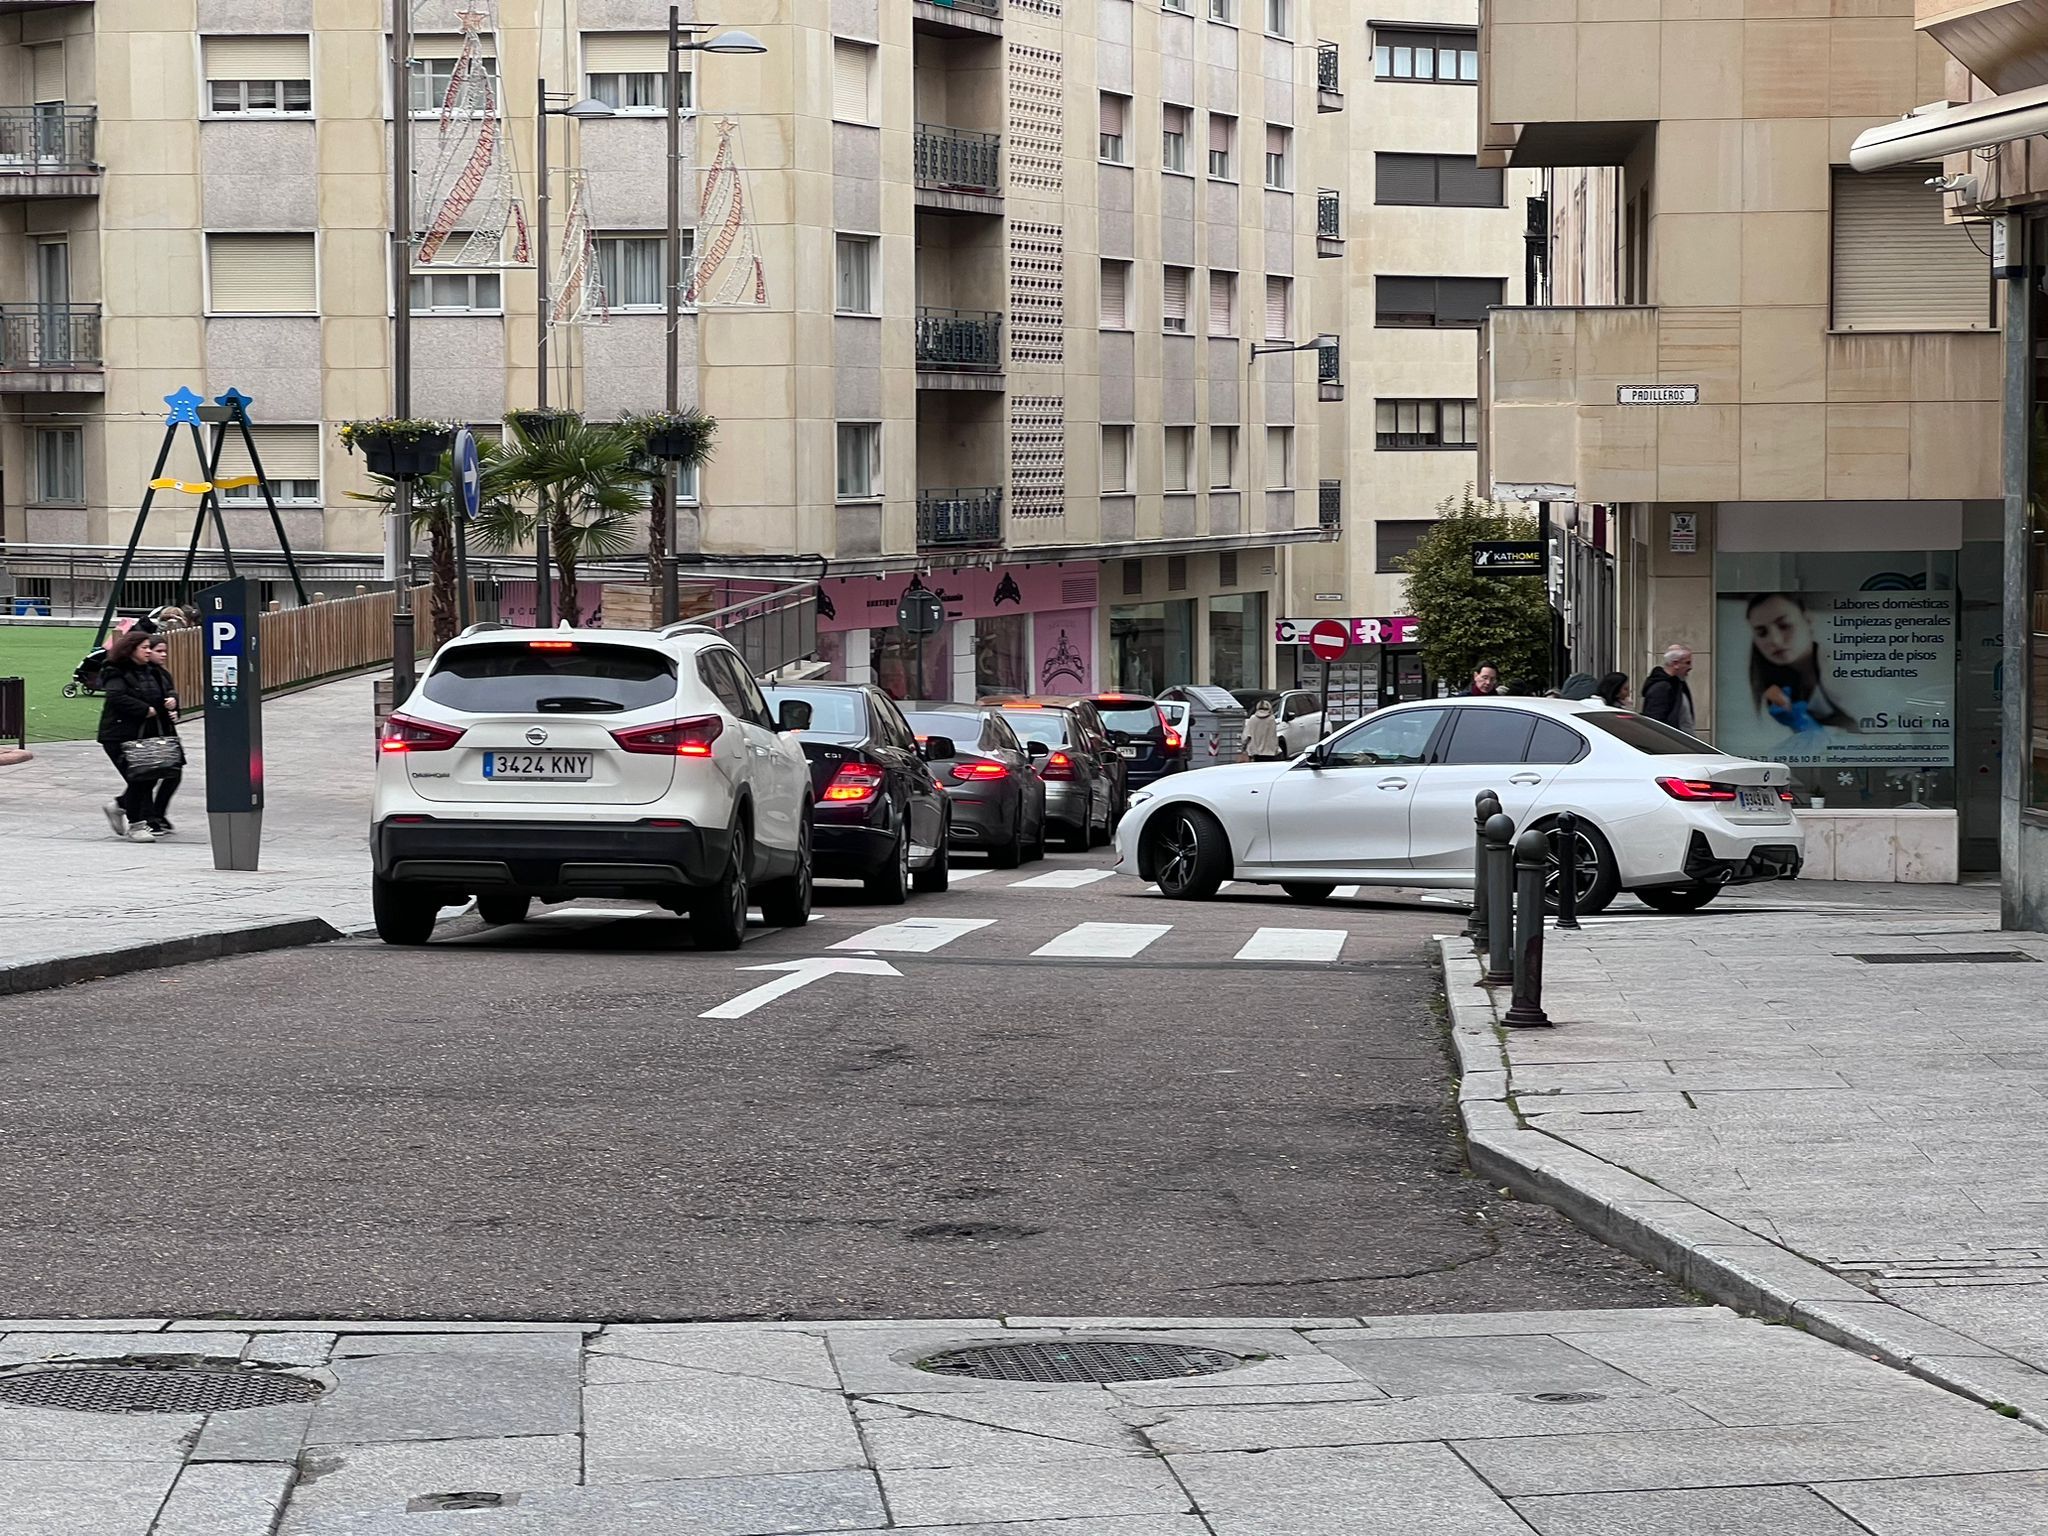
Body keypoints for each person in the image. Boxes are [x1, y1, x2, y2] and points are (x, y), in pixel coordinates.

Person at [97, 622, 182, 842]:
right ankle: (137, 824)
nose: (148, 651)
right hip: (119, 735)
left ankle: (120, 807)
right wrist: (145, 709)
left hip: (146, 734)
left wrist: (172, 704)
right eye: (144, 647)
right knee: (140, 779)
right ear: (131, 649)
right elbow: (116, 697)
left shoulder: (154, 672)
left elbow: (166, 691)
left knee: (148, 777)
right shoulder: (116, 671)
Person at [1744, 592, 1853, 737]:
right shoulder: (1775, 683)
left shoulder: (1841, 669)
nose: (1775, 640)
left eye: (1784, 625)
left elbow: (1884, 733)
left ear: (1808, 620)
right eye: (1762, 632)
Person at [1640, 645, 1695, 731]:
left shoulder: (1679, 684)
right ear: (1675, 664)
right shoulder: (1661, 688)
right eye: (1687, 663)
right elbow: (1655, 723)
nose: (1690, 667)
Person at [1243, 696, 1283, 761]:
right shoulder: (1271, 719)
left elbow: (1246, 736)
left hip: (1255, 752)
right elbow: (1274, 736)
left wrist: (1243, 747)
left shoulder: (1253, 719)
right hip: (1270, 752)